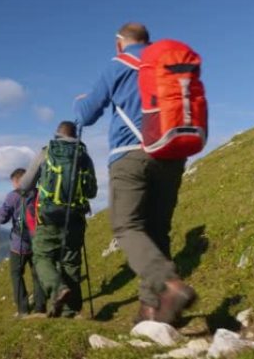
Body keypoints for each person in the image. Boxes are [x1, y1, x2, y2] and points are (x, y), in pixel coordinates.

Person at [74, 22, 196, 324]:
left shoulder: (118, 64)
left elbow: (87, 114)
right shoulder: (166, 62)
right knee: (157, 230)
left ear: (120, 43)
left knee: (127, 226)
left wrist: (80, 103)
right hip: (172, 153)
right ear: (148, 40)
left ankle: (168, 285)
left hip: (131, 156)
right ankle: (153, 311)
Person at [19, 121, 97, 318]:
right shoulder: (84, 156)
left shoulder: (46, 153)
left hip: (49, 217)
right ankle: (69, 312)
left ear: (57, 135)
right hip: (76, 219)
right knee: (70, 262)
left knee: (41, 256)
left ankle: (57, 289)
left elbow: (25, 184)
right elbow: (92, 191)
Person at [0, 168, 47, 317]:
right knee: (38, 275)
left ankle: (23, 310)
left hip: (19, 244)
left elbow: (1, 218)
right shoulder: (39, 193)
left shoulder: (13, 196)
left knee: (16, 275)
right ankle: (40, 308)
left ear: (17, 181)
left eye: (13, 182)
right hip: (38, 241)